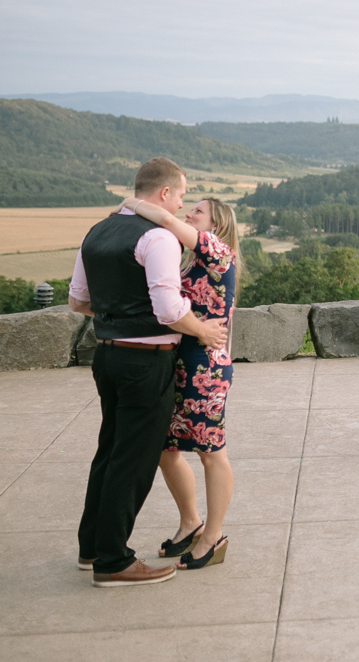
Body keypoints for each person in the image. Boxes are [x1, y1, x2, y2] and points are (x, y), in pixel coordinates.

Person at [68, 158, 228, 587]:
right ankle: (114, 561)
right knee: (134, 459)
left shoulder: (97, 231)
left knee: (109, 450)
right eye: (179, 195)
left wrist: (117, 312)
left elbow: (78, 301)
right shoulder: (157, 237)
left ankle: (92, 547)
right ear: (162, 194)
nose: (180, 204)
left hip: (106, 355)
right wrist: (202, 330)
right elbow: (169, 310)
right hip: (146, 362)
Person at [120, 193, 240, 570]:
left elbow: (169, 222)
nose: (190, 213)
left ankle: (213, 536)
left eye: (198, 211)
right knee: (165, 447)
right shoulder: (193, 259)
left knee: (210, 451)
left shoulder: (218, 250)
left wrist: (131, 202)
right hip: (179, 361)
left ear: (216, 224)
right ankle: (190, 522)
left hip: (205, 366)